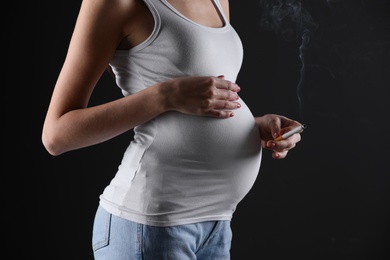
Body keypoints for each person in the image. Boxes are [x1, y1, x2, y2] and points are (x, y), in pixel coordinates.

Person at [42, 0, 303, 259]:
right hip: (149, 228)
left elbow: (203, 101)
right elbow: (57, 135)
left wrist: (252, 126)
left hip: (217, 226)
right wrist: (165, 95)